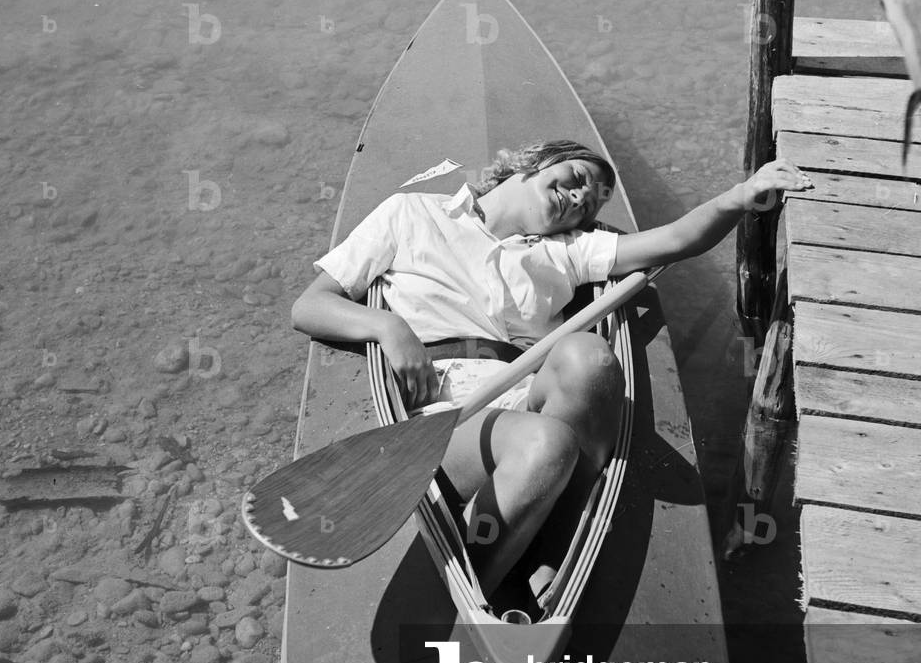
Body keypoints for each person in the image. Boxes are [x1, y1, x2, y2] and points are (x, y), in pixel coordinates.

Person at [290, 140, 812, 597]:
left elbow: (676, 241)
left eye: (591, 204)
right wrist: (390, 329)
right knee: (545, 443)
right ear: (536, 162)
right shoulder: (410, 214)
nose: (581, 199)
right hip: (446, 409)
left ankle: (556, 532)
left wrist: (742, 195)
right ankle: (485, 588)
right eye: (579, 179)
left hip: (526, 390)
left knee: (589, 356)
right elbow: (311, 306)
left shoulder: (566, 252)